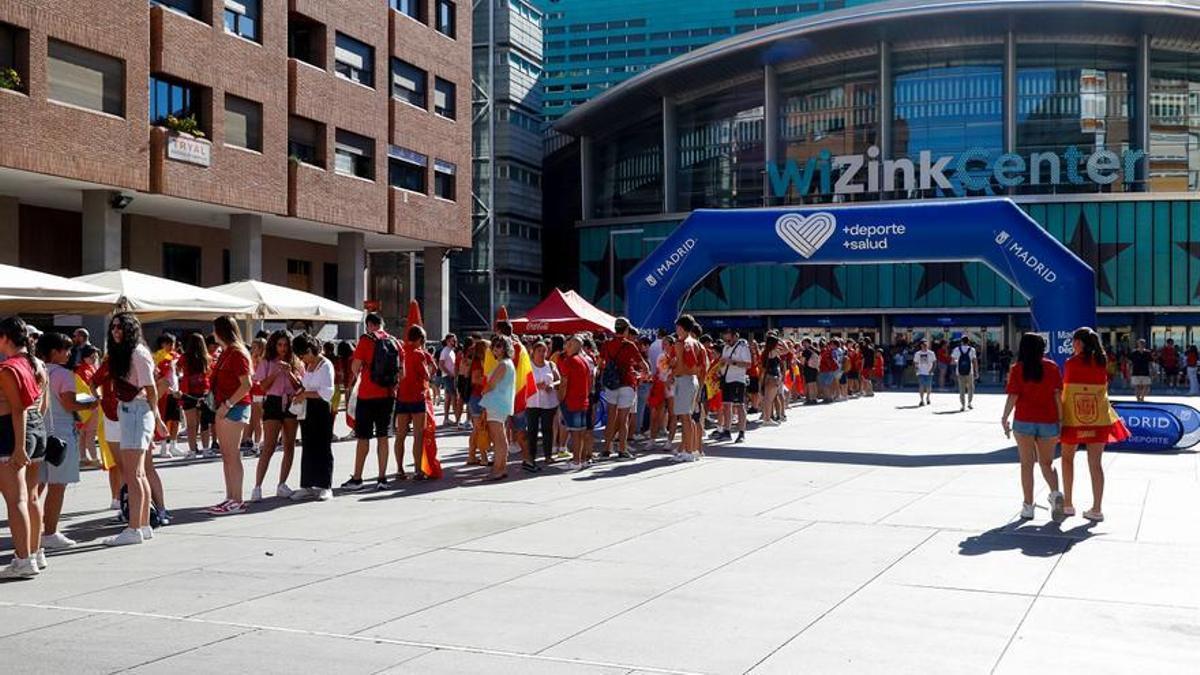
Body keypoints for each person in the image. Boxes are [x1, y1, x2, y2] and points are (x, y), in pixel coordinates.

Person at [104, 312, 165, 545]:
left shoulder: (138, 353)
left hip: (137, 411)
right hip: (132, 410)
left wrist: (157, 418)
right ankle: (144, 525)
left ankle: (134, 528)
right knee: (138, 473)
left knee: (133, 474)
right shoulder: (127, 353)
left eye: (121, 327)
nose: (116, 331)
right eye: (114, 327)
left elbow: (151, 389)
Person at [35, 332, 99, 552]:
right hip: (60, 434)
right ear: (55, 351)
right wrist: (90, 404)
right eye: (66, 349)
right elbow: (70, 404)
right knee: (57, 486)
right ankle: (50, 532)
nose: (70, 353)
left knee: (37, 485)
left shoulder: (35, 370)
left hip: (37, 432)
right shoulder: (63, 374)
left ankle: (33, 531)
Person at [1060, 327, 1130, 523]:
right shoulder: (1102, 362)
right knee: (1096, 464)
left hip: (1073, 419)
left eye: (1074, 341)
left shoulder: (1070, 363)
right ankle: (1097, 508)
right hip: (1098, 418)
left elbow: (1066, 392)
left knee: (1067, 459)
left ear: (1080, 343)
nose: (1072, 345)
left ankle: (1067, 504)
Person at [0, 317, 48, 578]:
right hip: (35, 430)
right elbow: (39, 404)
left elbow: (18, 409)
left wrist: (20, 447)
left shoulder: (9, 368)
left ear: (6, 338)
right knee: (30, 497)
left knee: (17, 499)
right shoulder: (34, 363)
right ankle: (34, 552)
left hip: (13, 434)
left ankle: (23, 559)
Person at [1001, 333, 1065, 522]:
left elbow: (1012, 396)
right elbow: (1057, 396)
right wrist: (1061, 420)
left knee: (1026, 465)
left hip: (1023, 421)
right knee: (1047, 463)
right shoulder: (1052, 367)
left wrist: (1005, 417)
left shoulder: (1017, 369)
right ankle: (1055, 495)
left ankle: (1028, 506)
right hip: (1048, 421)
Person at [342, 313, 400, 491]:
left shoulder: (366, 340)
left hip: (367, 395)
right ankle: (382, 478)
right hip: (388, 396)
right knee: (383, 437)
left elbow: (355, 367)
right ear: (382, 324)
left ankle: (358, 478)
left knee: (363, 437)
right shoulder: (395, 342)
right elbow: (401, 373)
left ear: (369, 325)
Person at [208, 316, 253, 515]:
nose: (212, 333)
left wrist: (227, 404)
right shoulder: (228, 352)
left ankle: (237, 499)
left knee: (232, 455)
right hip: (225, 407)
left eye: (215, 330)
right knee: (227, 456)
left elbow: (247, 384)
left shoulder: (237, 353)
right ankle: (231, 497)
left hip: (233, 407)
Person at [252, 331, 302, 501]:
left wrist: (289, 372)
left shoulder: (295, 362)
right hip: (273, 401)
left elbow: (299, 387)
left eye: (286, 345)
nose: (283, 348)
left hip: (290, 402)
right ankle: (257, 486)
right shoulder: (267, 361)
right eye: (279, 345)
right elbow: (263, 386)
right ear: (274, 345)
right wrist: (275, 372)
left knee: (289, 445)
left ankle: (282, 483)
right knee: (269, 446)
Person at [290, 333, 335, 501]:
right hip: (307, 408)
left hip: (321, 408)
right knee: (308, 445)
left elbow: (327, 392)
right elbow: (307, 385)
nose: (302, 359)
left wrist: (306, 394)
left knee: (323, 446)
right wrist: (301, 392)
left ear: (310, 350)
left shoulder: (325, 365)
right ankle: (307, 484)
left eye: (303, 355)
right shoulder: (308, 366)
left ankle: (325, 485)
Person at [599, 317, 646, 459]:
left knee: (611, 417)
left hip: (611, 384)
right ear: (626, 330)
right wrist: (642, 375)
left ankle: (607, 449)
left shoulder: (606, 344)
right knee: (624, 419)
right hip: (626, 383)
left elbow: (601, 363)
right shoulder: (630, 345)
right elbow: (644, 365)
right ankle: (622, 450)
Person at [395, 325, 434, 482]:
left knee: (400, 435)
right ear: (419, 339)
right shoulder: (419, 354)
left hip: (402, 397)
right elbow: (426, 375)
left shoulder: (401, 351)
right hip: (417, 397)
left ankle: (399, 469)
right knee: (418, 436)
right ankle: (418, 470)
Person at [480, 334, 516, 480]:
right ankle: (501, 467)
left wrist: (484, 391)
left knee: (498, 438)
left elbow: (492, 384)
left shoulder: (503, 364)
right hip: (501, 403)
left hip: (496, 403)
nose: (496, 349)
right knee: (501, 437)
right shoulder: (507, 363)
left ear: (505, 348)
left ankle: (498, 469)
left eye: (499, 346)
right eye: (494, 346)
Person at [671, 315, 704, 462]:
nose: (676, 329)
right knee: (688, 417)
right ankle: (690, 449)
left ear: (681, 327)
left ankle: (688, 451)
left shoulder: (681, 343)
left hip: (684, 380)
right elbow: (700, 366)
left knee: (685, 418)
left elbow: (682, 367)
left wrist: (673, 370)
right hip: (693, 381)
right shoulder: (697, 343)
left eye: (677, 326)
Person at [558, 334, 591, 470]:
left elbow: (564, 383)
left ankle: (576, 461)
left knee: (575, 432)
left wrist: (560, 398)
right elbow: (590, 381)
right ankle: (581, 459)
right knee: (581, 432)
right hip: (583, 400)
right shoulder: (584, 361)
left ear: (571, 346)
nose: (566, 346)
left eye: (568, 344)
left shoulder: (569, 361)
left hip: (572, 401)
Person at [527, 340, 560, 466]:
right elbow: (522, 383)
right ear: (533, 352)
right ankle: (531, 456)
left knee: (548, 429)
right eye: (539, 351)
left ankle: (548, 455)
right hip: (532, 402)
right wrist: (535, 385)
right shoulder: (528, 366)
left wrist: (552, 385)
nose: (541, 354)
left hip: (548, 403)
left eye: (544, 351)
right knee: (532, 430)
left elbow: (559, 380)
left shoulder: (550, 365)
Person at [178, 333, 211, 458]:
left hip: (188, 392)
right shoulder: (207, 357)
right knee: (204, 423)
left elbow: (177, 368)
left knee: (191, 425)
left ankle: (192, 451)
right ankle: (206, 449)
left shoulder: (185, 357)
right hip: (204, 392)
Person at [717, 328, 751, 443]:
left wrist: (733, 362)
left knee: (740, 406)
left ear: (735, 336)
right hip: (726, 379)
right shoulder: (726, 347)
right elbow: (723, 362)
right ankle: (727, 431)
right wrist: (721, 366)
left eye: (729, 337)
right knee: (726, 405)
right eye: (726, 338)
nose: (727, 340)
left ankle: (741, 432)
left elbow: (748, 364)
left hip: (738, 379)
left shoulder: (742, 347)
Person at [153, 333, 184, 459]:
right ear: (162, 344)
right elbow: (160, 378)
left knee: (176, 420)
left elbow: (177, 375)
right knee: (165, 420)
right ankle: (163, 447)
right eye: (168, 343)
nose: (172, 346)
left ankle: (173, 445)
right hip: (165, 393)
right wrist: (170, 390)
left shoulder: (175, 357)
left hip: (175, 392)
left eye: (173, 343)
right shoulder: (159, 357)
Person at [950, 337, 978, 411]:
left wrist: (957, 362)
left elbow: (952, 361)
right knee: (971, 387)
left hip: (959, 371)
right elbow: (974, 361)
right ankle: (969, 402)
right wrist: (976, 371)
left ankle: (963, 405)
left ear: (961, 342)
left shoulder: (956, 349)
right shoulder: (972, 349)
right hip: (970, 371)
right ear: (968, 342)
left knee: (961, 388)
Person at [438, 333, 459, 427]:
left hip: (450, 376)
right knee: (454, 397)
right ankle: (456, 419)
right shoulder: (445, 351)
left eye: (454, 340)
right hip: (448, 377)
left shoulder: (451, 351)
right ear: (447, 341)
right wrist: (450, 373)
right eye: (452, 340)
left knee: (448, 398)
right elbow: (441, 365)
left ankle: (446, 418)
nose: (454, 342)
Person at [913, 340, 936, 407]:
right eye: (923, 345)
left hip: (929, 372)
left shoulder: (931, 353)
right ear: (921, 345)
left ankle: (928, 397)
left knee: (928, 387)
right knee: (921, 386)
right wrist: (916, 369)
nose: (925, 346)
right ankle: (921, 400)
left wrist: (932, 370)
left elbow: (934, 362)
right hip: (921, 372)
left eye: (926, 345)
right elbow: (915, 362)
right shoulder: (918, 353)